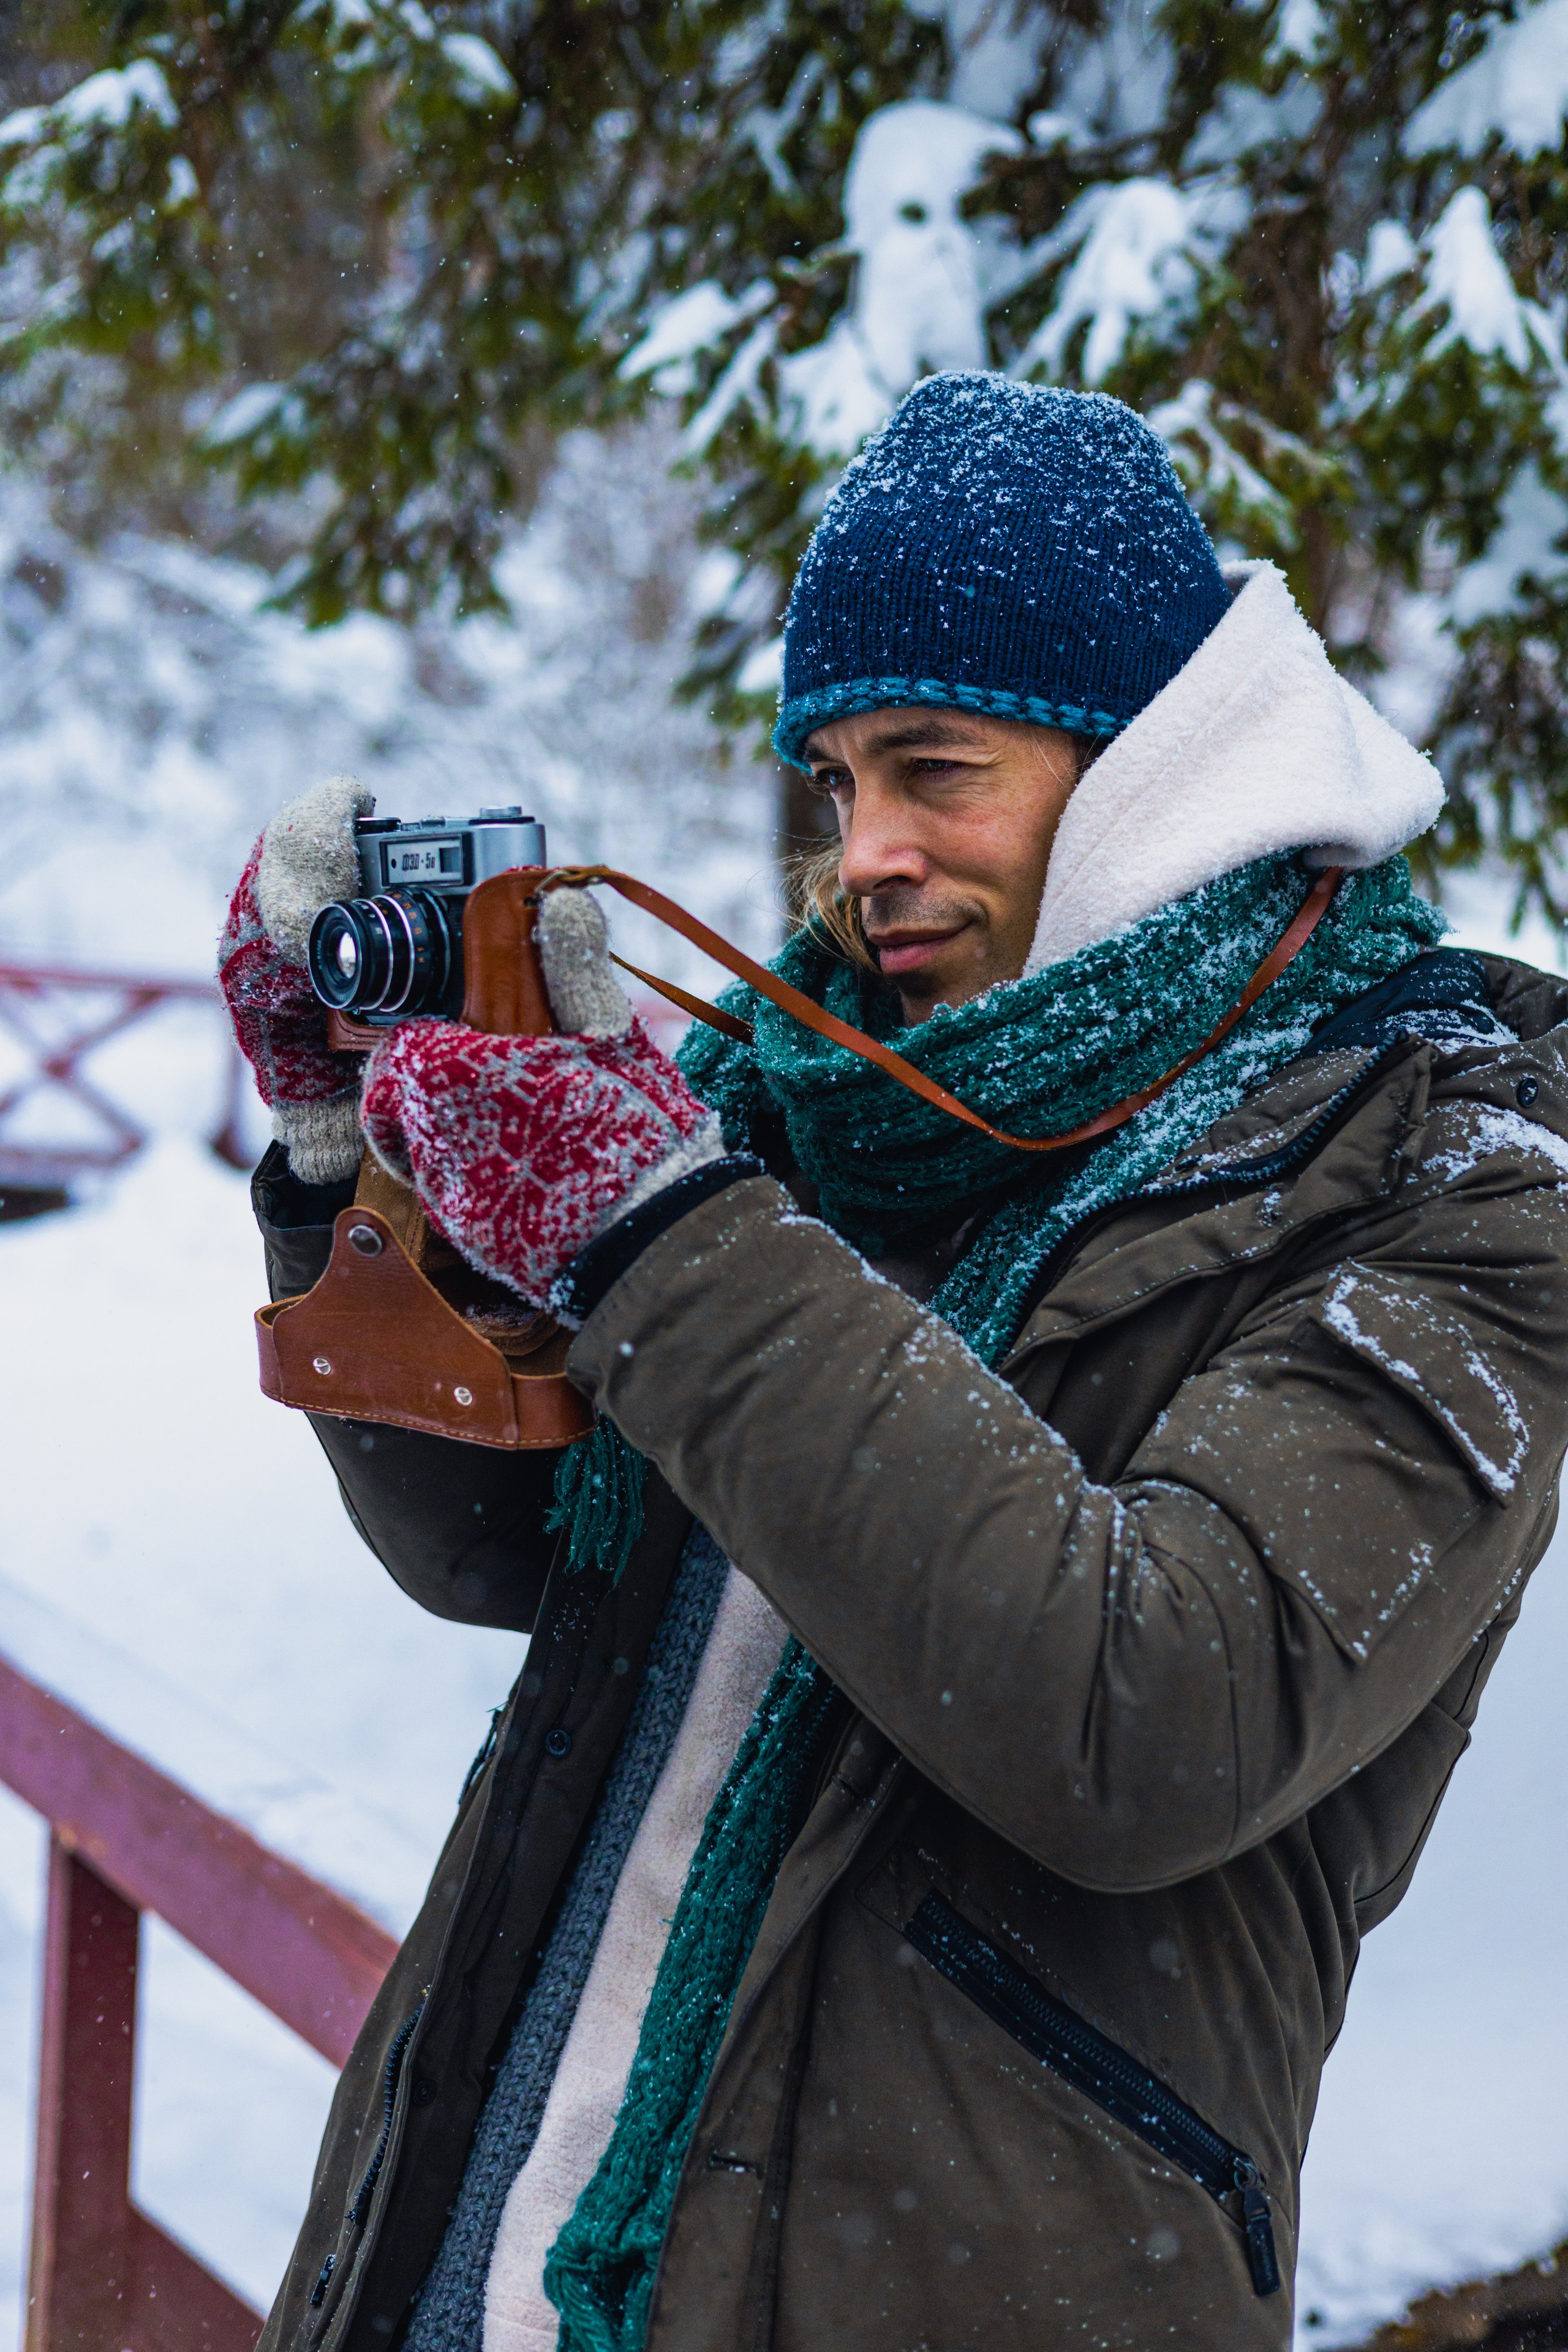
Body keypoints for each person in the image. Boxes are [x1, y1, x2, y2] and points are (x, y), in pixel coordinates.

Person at [222, 374, 1568, 2352]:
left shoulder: (1459, 1164)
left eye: (936, 769)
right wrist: (362, 1177)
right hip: (486, 2217)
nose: (867, 854)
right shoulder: (808, 1103)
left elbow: (1150, 1709)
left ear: (1150, 768)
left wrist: (656, 1235)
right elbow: (509, 1555)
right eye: (838, 783)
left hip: (942, 2277)